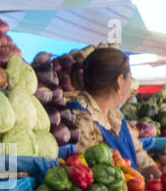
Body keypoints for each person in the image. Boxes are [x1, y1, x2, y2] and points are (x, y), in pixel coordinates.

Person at [67, 47, 162, 180]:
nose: (131, 83)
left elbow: (138, 152)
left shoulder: (115, 115)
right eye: (130, 77)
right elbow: (87, 172)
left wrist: (157, 178)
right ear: (119, 82)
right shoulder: (80, 118)